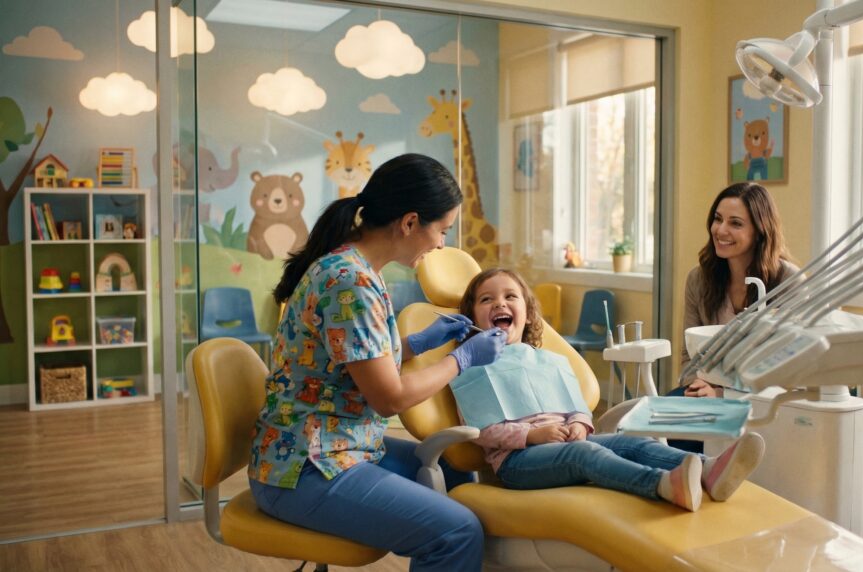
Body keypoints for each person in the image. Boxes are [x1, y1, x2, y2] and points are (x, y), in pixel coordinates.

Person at [248, 153, 507, 572]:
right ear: (409, 223)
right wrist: (463, 359)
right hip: (304, 468)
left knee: (457, 469)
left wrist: (417, 343)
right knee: (456, 531)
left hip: (336, 445)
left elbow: (353, 357)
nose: (442, 244)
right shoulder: (350, 281)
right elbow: (389, 398)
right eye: (441, 230)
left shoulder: (355, 266)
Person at [453, 268, 765, 512]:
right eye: (486, 299)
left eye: (511, 296)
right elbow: (481, 430)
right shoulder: (471, 367)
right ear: (472, 318)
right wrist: (531, 435)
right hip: (517, 462)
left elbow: (575, 406)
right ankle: (661, 484)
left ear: (528, 313)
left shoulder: (546, 360)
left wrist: (578, 423)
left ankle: (710, 470)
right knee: (585, 452)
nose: (500, 303)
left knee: (627, 443)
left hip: (562, 443)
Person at [679, 182, 799, 398]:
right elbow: (689, 357)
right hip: (705, 392)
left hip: (765, 401)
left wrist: (722, 392)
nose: (720, 230)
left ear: (760, 231)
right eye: (718, 219)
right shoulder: (698, 279)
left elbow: (788, 366)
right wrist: (698, 386)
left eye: (735, 223)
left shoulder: (790, 281)